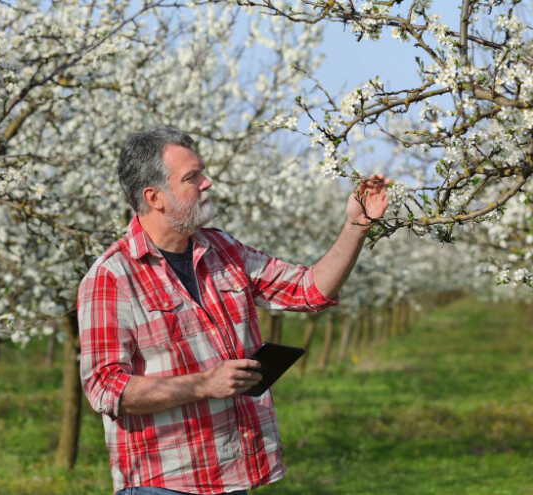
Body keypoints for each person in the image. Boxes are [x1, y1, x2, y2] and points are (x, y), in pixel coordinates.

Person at [77, 126, 389, 495]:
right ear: (154, 197)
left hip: (233, 475)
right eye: (192, 177)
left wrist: (356, 226)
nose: (207, 183)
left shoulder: (223, 250)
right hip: (164, 483)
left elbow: (309, 290)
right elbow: (106, 389)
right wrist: (203, 384)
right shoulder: (112, 277)